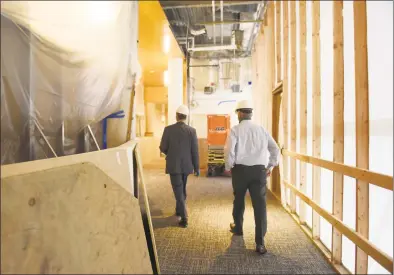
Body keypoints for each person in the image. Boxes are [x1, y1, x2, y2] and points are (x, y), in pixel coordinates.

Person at [224, 99, 280, 255]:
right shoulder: (261, 129)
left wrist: (229, 167)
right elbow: (275, 149)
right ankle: (260, 243)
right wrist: (270, 166)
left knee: (239, 199)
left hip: (240, 171)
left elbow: (229, 150)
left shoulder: (235, 130)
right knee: (260, 206)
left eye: (237, 113)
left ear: (240, 113)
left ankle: (238, 228)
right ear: (250, 113)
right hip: (258, 172)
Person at [159, 104, 200, 228]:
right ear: (186, 117)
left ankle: (184, 217)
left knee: (178, 190)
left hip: (174, 165)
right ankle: (178, 210)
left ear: (176, 116)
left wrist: (170, 154)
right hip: (187, 166)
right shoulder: (192, 131)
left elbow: (163, 147)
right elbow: (195, 151)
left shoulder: (168, 129)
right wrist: (196, 168)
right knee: (181, 189)